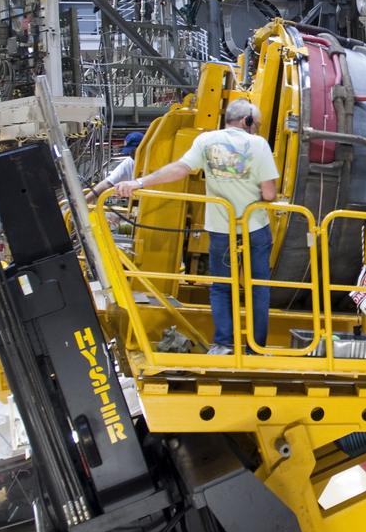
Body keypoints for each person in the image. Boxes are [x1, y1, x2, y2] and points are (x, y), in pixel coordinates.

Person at [116, 100, 280, 354]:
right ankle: (256, 346)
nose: (256, 129)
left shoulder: (206, 141)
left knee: (220, 286)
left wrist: (140, 182)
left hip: (221, 229)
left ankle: (224, 344)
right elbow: (269, 194)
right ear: (247, 121)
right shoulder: (259, 145)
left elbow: (179, 170)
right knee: (258, 286)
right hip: (255, 228)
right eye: (256, 124)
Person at [86, 131, 145, 206]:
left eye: (133, 150)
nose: (131, 154)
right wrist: (85, 201)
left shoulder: (159, 160)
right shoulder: (131, 161)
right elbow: (108, 183)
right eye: (130, 151)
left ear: (143, 146)